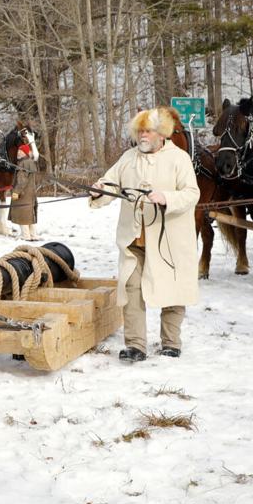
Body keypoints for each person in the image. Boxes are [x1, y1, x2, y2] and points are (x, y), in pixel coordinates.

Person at [90, 107, 200, 362]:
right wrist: (99, 190)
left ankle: (171, 342)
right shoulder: (128, 157)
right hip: (134, 239)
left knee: (172, 289)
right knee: (131, 289)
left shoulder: (179, 158)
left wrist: (167, 197)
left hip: (168, 241)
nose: (143, 135)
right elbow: (110, 182)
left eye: (148, 130)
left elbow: (192, 194)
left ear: (161, 133)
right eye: (139, 130)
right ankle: (135, 345)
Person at [10, 143, 40, 240]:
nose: (18, 153)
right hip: (30, 193)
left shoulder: (23, 163)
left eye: (21, 151)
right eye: (18, 151)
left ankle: (25, 235)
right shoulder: (30, 162)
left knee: (22, 214)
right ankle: (33, 235)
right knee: (30, 215)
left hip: (23, 194)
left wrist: (16, 192)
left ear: (25, 153)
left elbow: (22, 180)